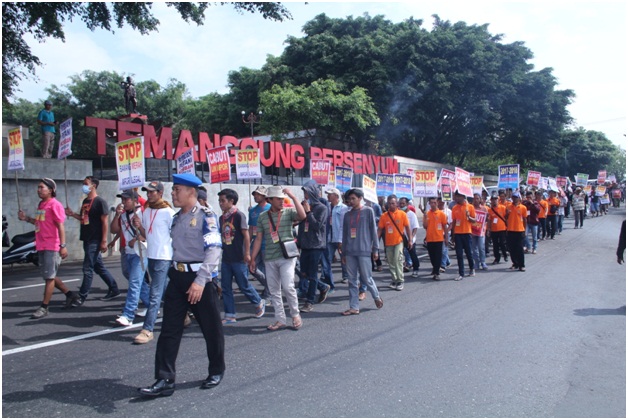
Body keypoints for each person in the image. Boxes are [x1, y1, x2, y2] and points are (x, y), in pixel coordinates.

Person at [138, 173, 224, 398]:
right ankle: (165, 379)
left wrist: (200, 281)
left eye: (177, 190)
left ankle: (216, 370)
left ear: (191, 192)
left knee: (211, 329)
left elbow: (214, 251)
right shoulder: (176, 217)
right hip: (177, 278)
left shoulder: (207, 216)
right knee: (169, 330)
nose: (173, 193)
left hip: (200, 280)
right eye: (174, 190)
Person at [18, 178, 79, 318]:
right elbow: (39, 223)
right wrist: (26, 218)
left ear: (50, 190)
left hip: (52, 245)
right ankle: (70, 295)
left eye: (41, 187)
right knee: (48, 274)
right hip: (41, 244)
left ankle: (44, 307)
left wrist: (62, 246)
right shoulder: (41, 205)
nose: (39, 190)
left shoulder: (55, 205)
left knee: (49, 277)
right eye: (38, 187)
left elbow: (60, 226)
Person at [249, 186, 306, 331]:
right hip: (269, 257)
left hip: (287, 256)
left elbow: (302, 216)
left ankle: (295, 314)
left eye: (282, 198)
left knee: (288, 287)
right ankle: (280, 319)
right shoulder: (262, 217)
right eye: (278, 199)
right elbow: (258, 238)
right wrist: (252, 258)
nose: (281, 201)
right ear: (270, 200)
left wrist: (293, 197)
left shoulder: (288, 211)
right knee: (274, 290)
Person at [131, 180, 176, 344]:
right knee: (165, 290)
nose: (149, 195)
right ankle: (184, 314)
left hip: (164, 256)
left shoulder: (168, 212)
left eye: (152, 192)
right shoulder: (147, 211)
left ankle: (147, 329)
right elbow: (146, 233)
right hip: (151, 254)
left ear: (160, 193)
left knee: (155, 294)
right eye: (147, 192)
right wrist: (138, 226)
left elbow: (175, 234)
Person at [65, 176, 120, 306]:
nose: (84, 186)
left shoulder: (100, 202)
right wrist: (72, 214)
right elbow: (83, 218)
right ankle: (114, 288)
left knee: (87, 268)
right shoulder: (85, 201)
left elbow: (104, 223)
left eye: (86, 184)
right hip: (86, 237)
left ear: (93, 185)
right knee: (98, 266)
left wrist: (104, 241)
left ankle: (81, 297)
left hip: (95, 239)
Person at [217, 188, 265, 324]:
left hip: (239, 257)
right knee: (226, 287)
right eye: (219, 201)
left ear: (231, 201)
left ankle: (258, 302)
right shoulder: (221, 218)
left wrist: (247, 253)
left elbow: (246, 235)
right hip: (226, 257)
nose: (220, 203)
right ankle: (230, 314)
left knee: (243, 284)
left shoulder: (239, 215)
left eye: (223, 200)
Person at [340, 188, 383, 315]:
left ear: (360, 198)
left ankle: (376, 296)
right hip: (350, 252)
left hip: (364, 251)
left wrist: (375, 249)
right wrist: (343, 253)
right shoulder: (347, 215)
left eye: (354, 198)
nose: (351, 201)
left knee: (367, 278)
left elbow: (373, 232)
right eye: (349, 199)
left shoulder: (368, 211)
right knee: (352, 280)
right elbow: (345, 235)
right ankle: (354, 307)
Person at [110, 190, 150, 327]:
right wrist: (117, 215)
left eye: (126, 200)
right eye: (122, 199)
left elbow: (149, 232)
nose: (123, 202)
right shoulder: (124, 215)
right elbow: (114, 230)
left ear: (135, 200)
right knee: (132, 278)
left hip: (140, 252)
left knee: (134, 283)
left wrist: (138, 237)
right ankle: (151, 304)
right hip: (128, 252)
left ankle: (128, 314)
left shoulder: (143, 213)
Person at [298, 180, 330, 313]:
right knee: (303, 273)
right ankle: (322, 287)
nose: (304, 194)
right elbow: (300, 224)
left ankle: (309, 301)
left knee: (311, 274)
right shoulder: (304, 205)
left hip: (316, 245)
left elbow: (317, 226)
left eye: (306, 191)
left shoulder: (322, 208)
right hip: (304, 244)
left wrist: (308, 212)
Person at [377, 194, 412, 290]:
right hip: (388, 243)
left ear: (396, 204)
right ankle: (394, 279)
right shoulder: (384, 216)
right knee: (391, 262)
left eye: (393, 203)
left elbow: (408, 228)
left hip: (398, 242)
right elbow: (380, 229)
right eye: (389, 203)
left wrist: (410, 240)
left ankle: (400, 280)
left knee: (398, 260)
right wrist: (376, 241)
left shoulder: (402, 214)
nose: (391, 205)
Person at [248, 186, 271, 301]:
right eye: (255, 194)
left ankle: (269, 293)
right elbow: (251, 229)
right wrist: (247, 245)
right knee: (251, 267)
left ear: (264, 196)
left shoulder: (271, 208)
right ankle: (270, 286)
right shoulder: (252, 210)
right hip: (256, 244)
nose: (255, 196)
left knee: (269, 270)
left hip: (269, 244)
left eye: (258, 194)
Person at [451, 192, 476, 281]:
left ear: (463, 197)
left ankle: (471, 268)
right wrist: (452, 235)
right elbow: (454, 222)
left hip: (467, 233)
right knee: (459, 254)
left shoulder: (470, 207)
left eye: (458, 197)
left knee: (468, 252)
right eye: (456, 196)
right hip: (458, 234)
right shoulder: (454, 208)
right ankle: (461, 273)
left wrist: (469, 217)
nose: (456, 198)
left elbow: (474, 220)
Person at [423, 197, 449, 280]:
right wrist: (425, 217)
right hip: (430, 239)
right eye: (431, 203)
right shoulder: (427, 214)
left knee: (438, 256)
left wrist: (446, 238)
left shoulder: (441, 214)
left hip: (439, 238)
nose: (433, 204)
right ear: (429, 204)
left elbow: (445, 226)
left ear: (437, 203)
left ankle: (436, 273)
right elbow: (425, 226)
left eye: (434, 202)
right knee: (432, 256)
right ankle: (435, 268)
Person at [399, 197, 420, 277]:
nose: (401, 205)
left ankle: (416, 268)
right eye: (400, 203)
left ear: (407, 204)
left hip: (410, 238)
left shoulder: (412, 215)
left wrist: (411, 238)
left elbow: (415, 227)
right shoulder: (399, 214)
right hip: (401, 238)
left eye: (403, 204)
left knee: (412, 254)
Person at [506, 193, 527, 272]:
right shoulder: (508, 207)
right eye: (513, 197)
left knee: (519, 249)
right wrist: (507, 214)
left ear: (519, 198)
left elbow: (525, 219)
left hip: (519, 230)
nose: (514, 199)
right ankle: (515, 263)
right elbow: (506, 218)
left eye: (516, 197)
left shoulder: (523, 208)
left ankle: (522, 265)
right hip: (510, 230)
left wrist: (525, 230)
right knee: (512, 249)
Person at [487, 195, 509, 264]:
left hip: (502, 229)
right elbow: (489, 221)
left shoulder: (503, 208)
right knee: (495, 245)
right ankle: (497, 258)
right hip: (494, 230)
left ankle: (505, 255)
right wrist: (489, 229)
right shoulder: (490, 210)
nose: (494, 201)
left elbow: (506, 218)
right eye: (493, 199)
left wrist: (508, 227)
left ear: (498, 200)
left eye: (495, 199)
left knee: (502, 243)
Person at [470, 193, 489, 271]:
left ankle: (483, 262)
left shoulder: (484, 209)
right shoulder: (471, 208)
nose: (476, 200)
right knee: (474, 248)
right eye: (474, 198)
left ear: (480, 199)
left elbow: (487, 219)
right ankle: (476, 263)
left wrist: (485, 228)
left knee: (481, 247)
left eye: (477, 198)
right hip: (473, 231)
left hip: (481, 231)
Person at [437, 197, 452, 272]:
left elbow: (451, 224)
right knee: (440, 250)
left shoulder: (448, 211)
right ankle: (447, 262)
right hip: (438, 233)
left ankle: (442, 265)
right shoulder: (435, 212)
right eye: (439, 202)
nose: (441, 203)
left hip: (446, 233)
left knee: (444, 249)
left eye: (442, 202)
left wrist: (446, 231)